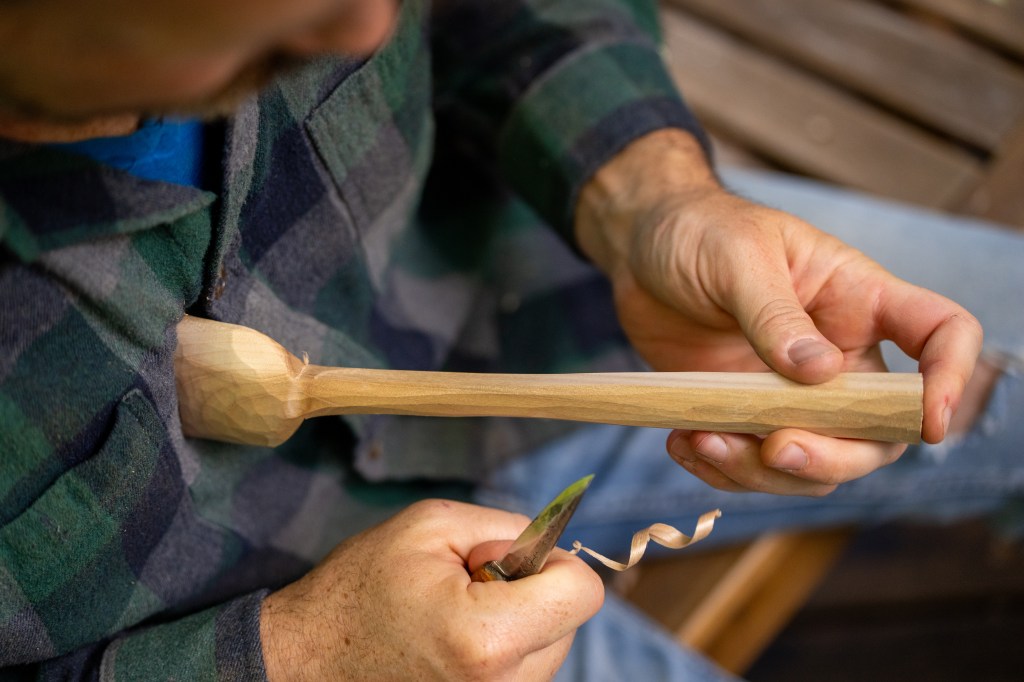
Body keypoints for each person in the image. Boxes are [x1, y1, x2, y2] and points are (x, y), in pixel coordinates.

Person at [0, 0, 1015, 678]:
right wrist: (302, 658)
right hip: (374, 641)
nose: (372, 24)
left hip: (548, 297)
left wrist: (650, 196)